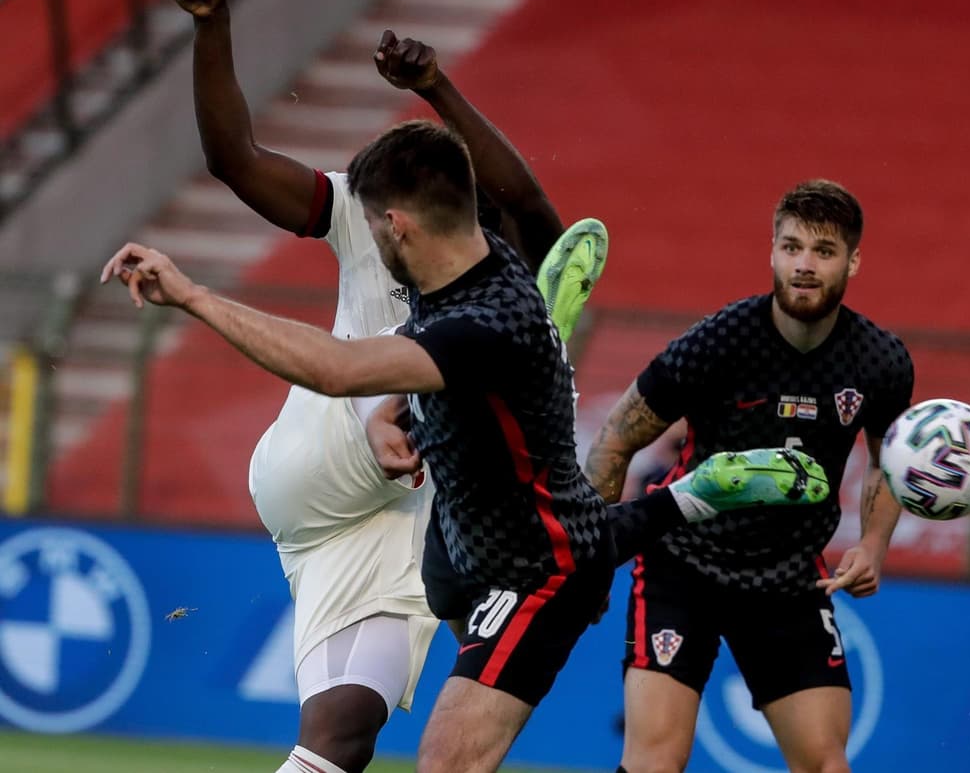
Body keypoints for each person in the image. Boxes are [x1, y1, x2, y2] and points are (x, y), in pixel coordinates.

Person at [101, 118, 831, 773]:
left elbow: (333, 367)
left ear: (398, 226)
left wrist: (193, 295)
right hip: (458, 538)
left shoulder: (478, 324)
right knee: (492, 553)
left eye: (373, 229)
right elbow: (503, 215)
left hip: (533, 573)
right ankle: (685, 477)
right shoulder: (460, 268)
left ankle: (696, 489)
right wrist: (393, 410)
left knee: (448, 760)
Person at [166, 0, 607, 773]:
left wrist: (438, 87)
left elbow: (532, 212)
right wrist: (213, 26)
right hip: (332, 462)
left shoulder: (498, 271)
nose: (371, 228)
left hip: (397, 517)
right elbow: (235, 161)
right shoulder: (370, 214)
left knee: (339, 737)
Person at [585, 179, 915, 773]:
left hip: (788, 579)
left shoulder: (881, 361)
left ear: (854, 260)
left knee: (826, 765)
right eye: (791, 248)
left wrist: (873, 544)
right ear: (771, 252)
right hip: (682, 567)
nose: (805, 265)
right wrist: (588, 561)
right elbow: (615, 439)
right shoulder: (717, 343)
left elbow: (889, 456)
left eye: (823, 251)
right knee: (655, 762)